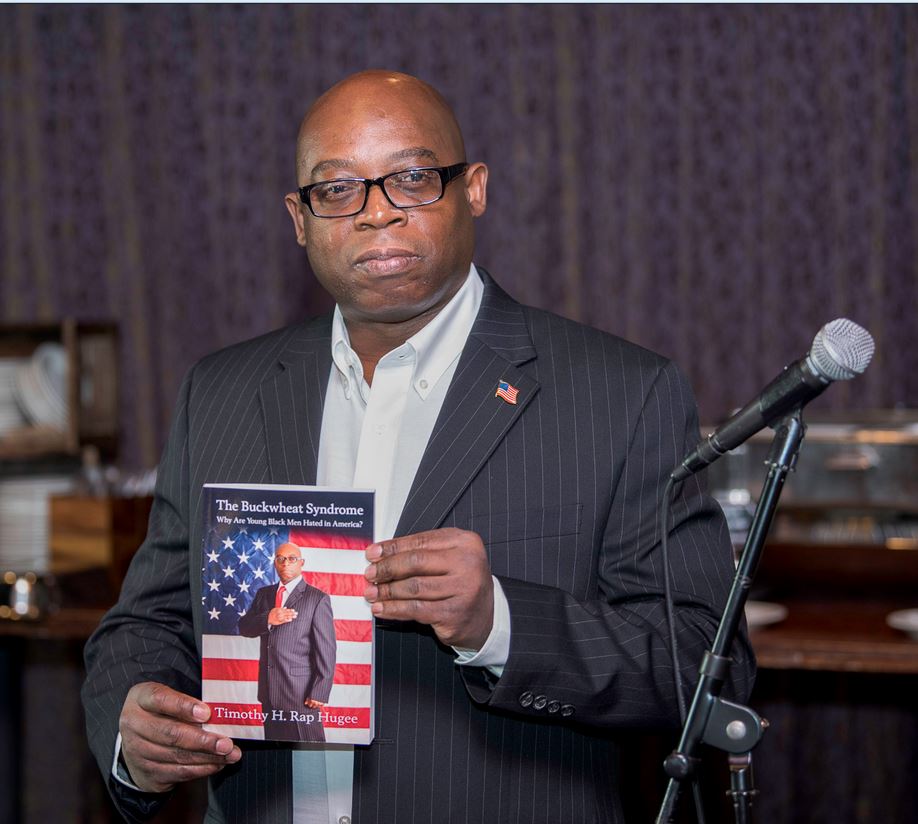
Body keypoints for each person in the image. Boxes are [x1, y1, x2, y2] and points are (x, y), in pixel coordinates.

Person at [82, 69, 755, 823]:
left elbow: (705, 667)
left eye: (409, 178)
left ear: (474, 189)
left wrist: (497, 621)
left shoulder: (620, 395)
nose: (375, 214)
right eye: (337, 189)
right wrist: (133, 727)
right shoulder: (223, 391)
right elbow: (147, 624)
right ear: (299, 219)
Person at [237, 543, 336, 742]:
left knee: (311, 751)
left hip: (301, 693)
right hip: (269, 691)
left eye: (292, 559)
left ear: (301, 563)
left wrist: (320, 690)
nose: (285, 563)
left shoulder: (317, 598)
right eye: (280, 559)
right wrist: (267, 619)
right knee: (276, 752)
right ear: (275, 563)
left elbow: (326, 648)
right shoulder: (264, 594)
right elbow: (244, 627)